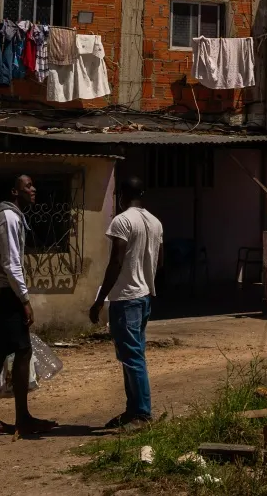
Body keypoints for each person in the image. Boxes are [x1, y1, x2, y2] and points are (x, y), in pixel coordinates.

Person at [0, 174, 55, 438]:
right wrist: (25, 300)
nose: (33, 190)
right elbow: (12, 264)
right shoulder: (10, 218)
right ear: (15, 191)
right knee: (22, 352)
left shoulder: (3, 217)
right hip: (6, 297)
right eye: (28, 186)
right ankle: (22, 419)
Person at [90, 174, 164, 429]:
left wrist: (100, 299)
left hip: (126, 298)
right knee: (132, 355)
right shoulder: (155, 222)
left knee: (132, 357)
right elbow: (159, 261)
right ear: (142, 194)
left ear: (121, 196)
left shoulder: (122, 221)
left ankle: (142, 413)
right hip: (144, 297)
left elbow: (116, 261)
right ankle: (133, 410)